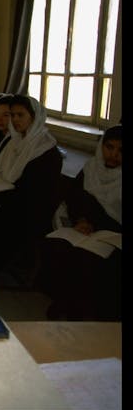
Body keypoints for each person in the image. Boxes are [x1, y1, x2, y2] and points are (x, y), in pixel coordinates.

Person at [0, 95, 63, 282]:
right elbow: (0, 172)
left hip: (32, 209)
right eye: (13, 115)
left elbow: (36, 193)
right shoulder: (16, 141)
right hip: (10, 198)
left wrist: (1, 195)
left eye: (20, 115)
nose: (15, 120)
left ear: (34, 117)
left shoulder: (45, 149)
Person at [35, 125, 122, 320]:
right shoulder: (91, 167)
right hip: (84, 228)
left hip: (113, 235)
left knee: (88, 261)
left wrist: (97, 226)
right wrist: (81, 220)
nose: (114, 154)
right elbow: (75, 197)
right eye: (109, 147)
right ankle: (63, 302)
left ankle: (83, 313)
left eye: (120, 150)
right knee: (56, 246)